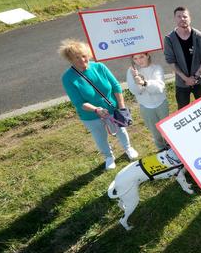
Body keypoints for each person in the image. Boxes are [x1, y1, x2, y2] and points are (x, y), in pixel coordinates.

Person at [60, 39, 138, 170]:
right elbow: (78, 102)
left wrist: (121, 106)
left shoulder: (99, 67)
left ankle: (128, 148)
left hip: (112, 108)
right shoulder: (67, 78)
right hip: (90, 115)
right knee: (100, 137)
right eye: (77, 58)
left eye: (84, 56)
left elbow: (116, 86)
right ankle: (108, 156)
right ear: (70, 60)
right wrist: (96, 110)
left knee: (121, 130)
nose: (82, 60)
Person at [164, 6, 201, 109]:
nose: (182, 19)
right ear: (175, 19)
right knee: (183, 110)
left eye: (185, 16)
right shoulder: (169, 39)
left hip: (199, 81)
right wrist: (186, 79)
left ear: (190, 18)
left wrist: (196, 76)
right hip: (181, 82)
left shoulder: (199, 36)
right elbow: (171, 61)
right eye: (179, 16)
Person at [126, 52, 169, 151]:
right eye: (135, 58)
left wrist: (144, 83)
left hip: (161, 103)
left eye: (141, 57)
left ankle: (171, 146)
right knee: (154, 131)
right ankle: (161, 148)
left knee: (166, 128)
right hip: (146, 106)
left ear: (148, 55)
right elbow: (136, 91)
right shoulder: (132, 71)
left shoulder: (157, 68)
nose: (139, 61)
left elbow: (159, 88)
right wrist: (135, 79)